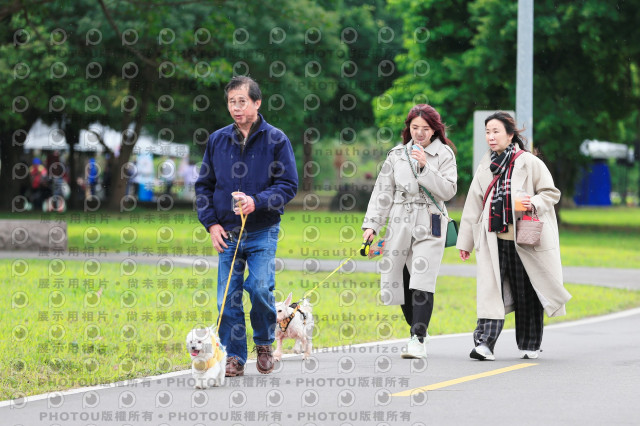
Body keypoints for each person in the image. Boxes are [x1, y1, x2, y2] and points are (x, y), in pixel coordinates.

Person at [195, 76, 298, 377]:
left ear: (257, 102)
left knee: (260, 288)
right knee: (226, 298)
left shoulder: (276, 139)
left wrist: (257, 201)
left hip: (263, 230)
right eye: (232, 102)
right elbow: (203, 186)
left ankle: (264, 343)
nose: (236, 108)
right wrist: (211, 224)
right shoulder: (217, 140)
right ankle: (235, 356)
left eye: (242, 101)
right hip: (227, 232)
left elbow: (288, 185)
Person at [457, 111, 571, 361]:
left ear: (510, 135)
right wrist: (465, 242)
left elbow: (551, 193)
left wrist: (533, 202)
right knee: (490, 291)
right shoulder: (485, 165)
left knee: (527, 292)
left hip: (525, 240)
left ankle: (530, 344)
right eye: (487, 132)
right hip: (493, 240)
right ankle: (484, 344)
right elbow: (473, 205)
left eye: (496, 131)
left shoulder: (529, 162)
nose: (491, 137)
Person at [362, 104, 458, 359]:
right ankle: (416, 327)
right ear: (409, 128)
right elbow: (382, 192)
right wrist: (372, 225)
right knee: (401, 279)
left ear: (434, 130)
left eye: (425, 128)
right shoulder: (396, 155)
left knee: (422, 278)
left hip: (430, 221)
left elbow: (449, 191)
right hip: (399, 221)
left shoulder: (444, 154)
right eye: (415, 127)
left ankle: (418, 337)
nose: (420, 133)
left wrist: (426, 167)